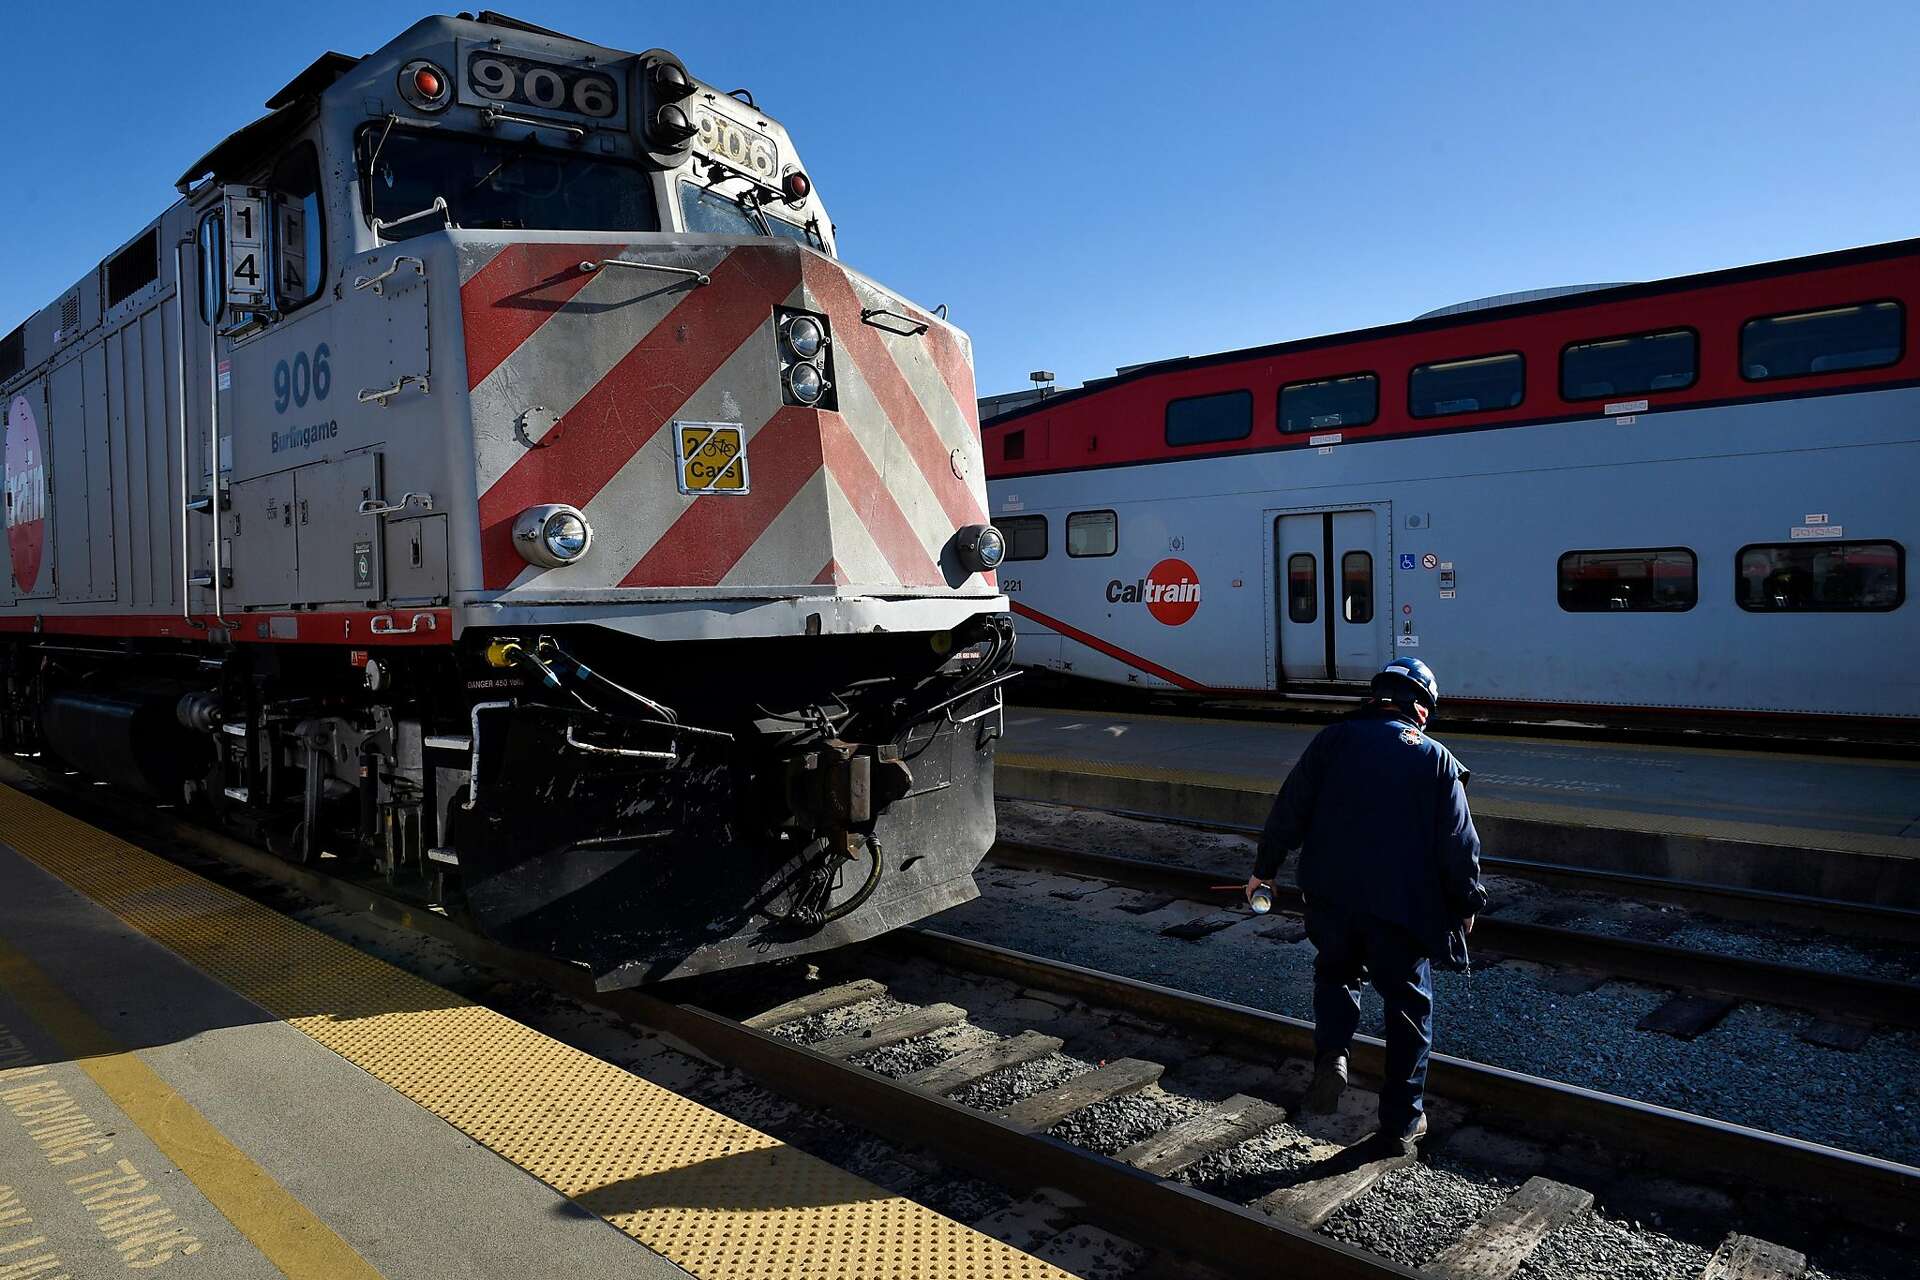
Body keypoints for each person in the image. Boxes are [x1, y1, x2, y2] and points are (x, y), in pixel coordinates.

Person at [1243, 657, 1486, 1147]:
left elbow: (1288, 810)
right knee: (1408, 1006)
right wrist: (1466, 904)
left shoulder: (1332, 740)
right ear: (1421, 708)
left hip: (1330, 898)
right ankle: (1402, 1121)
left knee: (1336, 973)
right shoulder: (1437, 759)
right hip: (1401, 909)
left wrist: (1263, 870)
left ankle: (1333, 1054)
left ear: (1376, 698)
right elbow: (1460, 846)